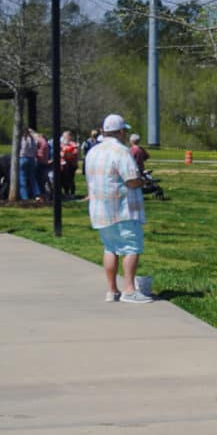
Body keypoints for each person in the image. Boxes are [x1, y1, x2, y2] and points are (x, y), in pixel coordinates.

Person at [84, 114, 152, 303]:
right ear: (121, 131)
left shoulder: (93, 152)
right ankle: (129, 290)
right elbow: (131, 180)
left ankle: (112, 290)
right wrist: (143, 181)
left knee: (110, 248)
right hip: (123, 209)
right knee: (132, 247)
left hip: (100, 209)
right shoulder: (121, 151)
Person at [17, 126, 39, 200]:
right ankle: (36, 195)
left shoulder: (21, 139)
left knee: (22, 178)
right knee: (33, 178)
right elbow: (36, 148)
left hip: (23, 158)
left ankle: (24, 197)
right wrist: (31, 132)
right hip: (32, 159)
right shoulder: (33, 139)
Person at [58, 131, 79, 199]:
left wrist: (66, 152)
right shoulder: (61, 144)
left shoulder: (73, 144)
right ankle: (66, 193)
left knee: (70, 179)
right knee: (64, 180)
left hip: (71, 165)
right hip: (63, 165)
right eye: (63, 136)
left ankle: (72, 194)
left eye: (66, 136)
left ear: (69, 136)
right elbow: (60, 153)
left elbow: (74, 153)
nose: (64, 137)